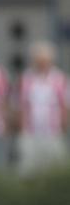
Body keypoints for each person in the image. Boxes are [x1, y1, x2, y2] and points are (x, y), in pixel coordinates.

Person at [15, 42, 69, 176]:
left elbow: (65, 105)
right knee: (28, 169)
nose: (42, 64)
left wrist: (64, 125)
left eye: (45, 61)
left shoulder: (59, 79)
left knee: (55, 168)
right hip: (30, 131)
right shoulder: (26, 79)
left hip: (53, 131)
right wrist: (21, 128)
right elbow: (19, 105)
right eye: (39, 61)